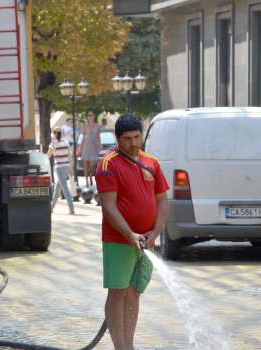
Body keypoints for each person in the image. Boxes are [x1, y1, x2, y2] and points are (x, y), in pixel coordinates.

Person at [94, 114, 169, 350]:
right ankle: (120, 347)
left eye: (137, 137)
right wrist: (129, 235)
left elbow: (162, 201)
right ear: (118, 139)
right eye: (127, 139)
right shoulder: (108, 164)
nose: (133, 143)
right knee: (118, 292)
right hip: (119, 240)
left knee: (134, 292)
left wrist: (155, 232)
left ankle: (129, 345)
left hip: (147, 240)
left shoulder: (152, 162)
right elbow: (109, 207)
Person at [46, 128, 74, 215]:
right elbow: (70, 157)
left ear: (54, 135)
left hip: (59, 168)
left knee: (65, 189)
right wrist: (71, 169)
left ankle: (71, 209)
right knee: (58, 188)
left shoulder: (53, 144)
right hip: (67, 167)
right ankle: (51, 208)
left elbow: (48, 155)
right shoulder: (66, 143)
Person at [79, 110, 101, 187]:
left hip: (94, 146)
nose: (90, 116)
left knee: (92, 165)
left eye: (91, 115)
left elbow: (98, 136)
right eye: (89, 115)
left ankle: (91, 176)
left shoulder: (97, 126)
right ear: (87, 117)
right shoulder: (85, 126)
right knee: (85, 165)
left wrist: (100, 144)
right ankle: (87, 182)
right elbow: (83, 137)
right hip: (86, 146)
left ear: (94, 116)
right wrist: (81, 147)